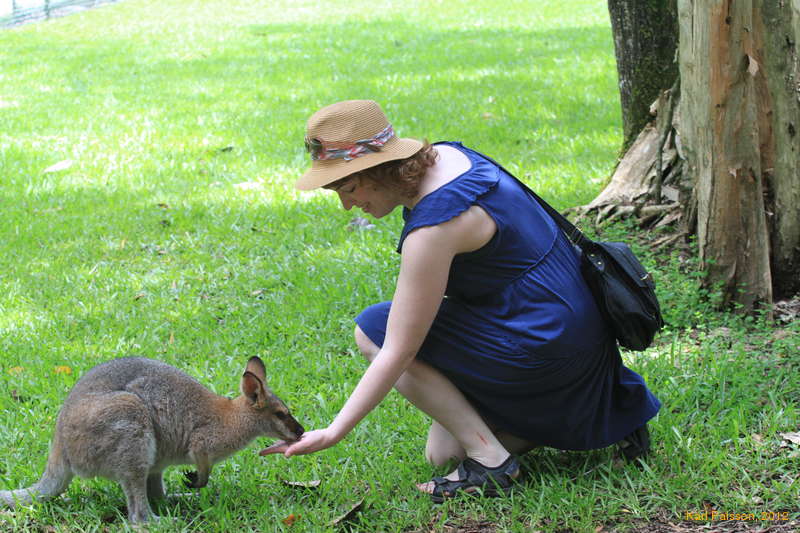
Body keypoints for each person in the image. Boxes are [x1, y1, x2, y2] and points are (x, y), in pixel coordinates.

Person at [261, 100, 660, 501]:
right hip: (581, 333)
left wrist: (334, 431)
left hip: (545, 344)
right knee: (442, 453)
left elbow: (399, 348)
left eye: (348, 188)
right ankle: (591, 414)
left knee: (373, 329)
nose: (347, 205)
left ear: (378, 169)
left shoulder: (434, 228)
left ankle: (492, 459)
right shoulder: (452, 157)